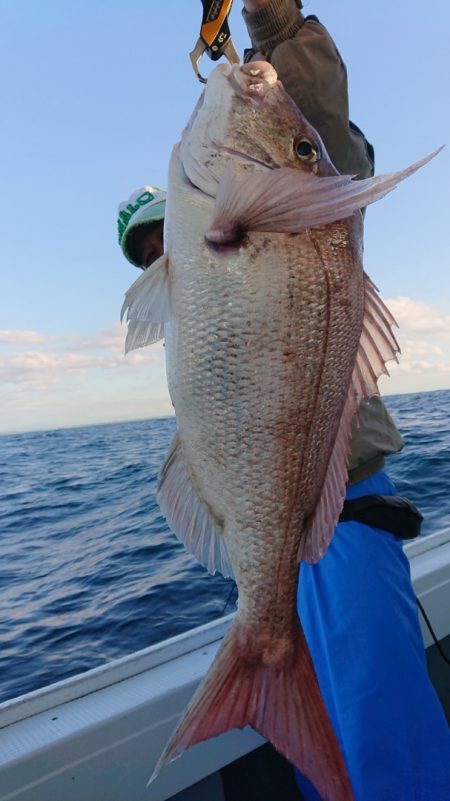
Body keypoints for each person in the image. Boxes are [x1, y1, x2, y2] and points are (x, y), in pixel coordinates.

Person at [118, 2, 450, 799]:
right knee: (322, 752)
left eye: (161, 232)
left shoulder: (313, 186)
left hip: (347, 518)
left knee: (383, 750)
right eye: (146, 251)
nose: (159, 250)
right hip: (274, 543)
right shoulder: (192, 281)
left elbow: (316, 115)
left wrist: (268, 17)